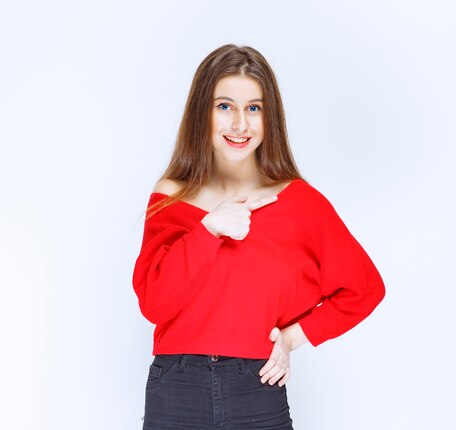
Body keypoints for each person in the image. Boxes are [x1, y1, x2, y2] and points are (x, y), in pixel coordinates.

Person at [132, 44, 386, 430]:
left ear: (270, 119)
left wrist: (290, 338)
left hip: (258, 388)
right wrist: (209, 229)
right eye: (224, 106)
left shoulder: (300, 202)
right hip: (177, 390)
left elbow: (364, 288)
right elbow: (153, 302)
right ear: (202, 112)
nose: (239, 124)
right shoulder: (172, 195)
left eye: (253, 108)